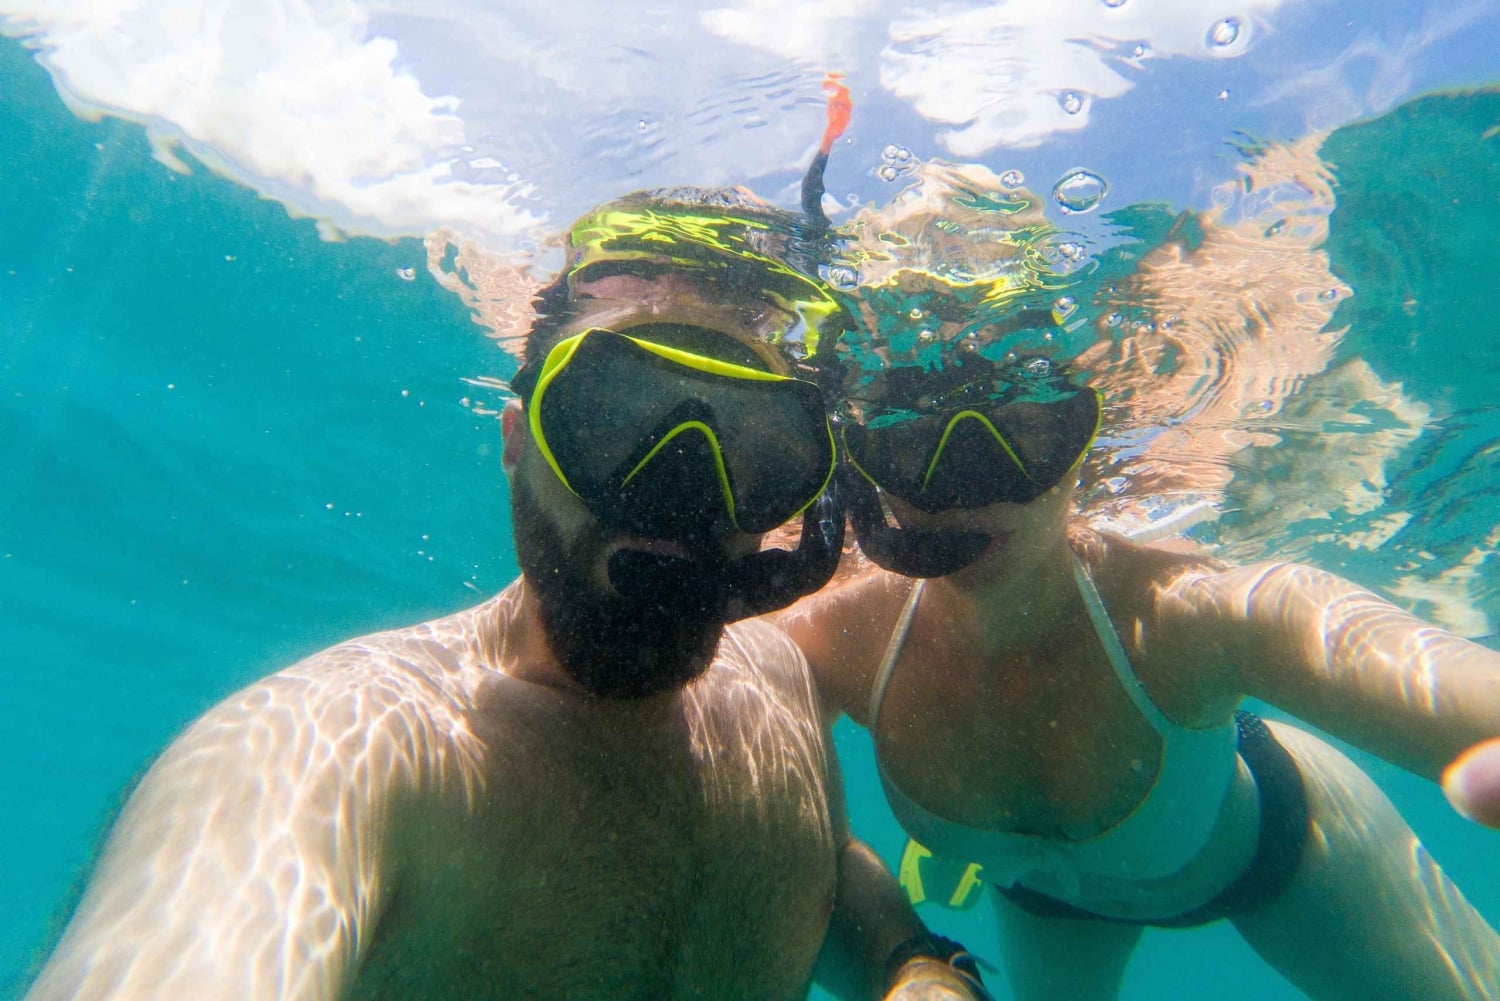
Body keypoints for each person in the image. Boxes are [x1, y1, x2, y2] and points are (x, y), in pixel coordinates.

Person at [24, 190, 992, 1001]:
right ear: (518, 439)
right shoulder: (337, 756)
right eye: (614, 418)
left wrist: (914, 962)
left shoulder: (776, 681)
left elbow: (814, 867)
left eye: (755, 446)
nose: (683, 493)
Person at [771, 169, 1500, 999]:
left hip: (1287, 855)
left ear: (1086, 431)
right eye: (914, 440)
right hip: (1046, 905)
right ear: (864, 460)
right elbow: (764, 823)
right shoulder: (836, 640)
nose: (978, 486)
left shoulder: (1184, 618)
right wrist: (909, 960)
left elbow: (1331, 634)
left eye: (1028, 427)